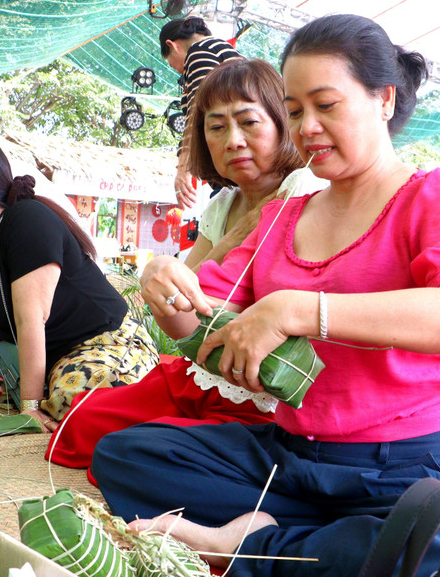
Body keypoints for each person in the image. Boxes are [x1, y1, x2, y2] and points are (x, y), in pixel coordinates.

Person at [90, 14, 440, 576]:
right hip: (291, 456)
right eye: (293, 111)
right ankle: (311, 545)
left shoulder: (430, 195)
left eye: (326, 105)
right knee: (127, 457)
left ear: (384, 99)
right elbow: (197, 322)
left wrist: (296, 309)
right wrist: (165, 283)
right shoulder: (282, 215)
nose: (307, 126)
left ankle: (246, 544)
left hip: (408, 466)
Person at [47, 58, 320, 473]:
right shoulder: (222, 204)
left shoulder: (304, 189)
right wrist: (160, 274)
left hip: (263, 392)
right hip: (203, 373)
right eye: (216, 127)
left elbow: (205, 292)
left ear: (284, 124)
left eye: (249, 122)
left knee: (134, 460)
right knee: (76, 429)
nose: (233, 140)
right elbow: (183, 313)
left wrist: (182, 279)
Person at [0, 132, 159, 432]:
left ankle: (45, 398)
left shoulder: (27, 221)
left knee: (73, 396)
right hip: (36, 356)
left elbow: (30, 322)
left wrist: (29, 409)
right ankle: (47, 391)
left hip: (102, 343)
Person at [159, 16, 242, 209]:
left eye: (172, 64)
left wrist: (183, 167)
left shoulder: (199, 51)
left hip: (232, 175)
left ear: (172, 45)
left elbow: (198, 109)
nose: (180, 71)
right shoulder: (225, 53)